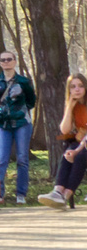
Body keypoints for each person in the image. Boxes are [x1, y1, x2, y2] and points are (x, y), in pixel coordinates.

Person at [0, 50, 38, 204]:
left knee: (22, 158)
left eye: (9, 59)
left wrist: (19, 112)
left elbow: (31, 100)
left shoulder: (23, 81)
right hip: (3, 124)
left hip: (22, 123)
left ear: (15, 61)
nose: (6, 62)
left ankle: (21, 194)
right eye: (3, 60)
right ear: (0, 63)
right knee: (1, 158)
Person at [50, 73, 87, 206]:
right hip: (81, 142)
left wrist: (77, 150)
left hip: (84, 144)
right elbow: (64, 130)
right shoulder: (74, 105)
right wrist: (69, 108)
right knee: (67, 154)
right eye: (73, 87)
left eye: (81, 86)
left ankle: (66, 195)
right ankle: (58, 191)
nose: (77, 89)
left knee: (80, 155)